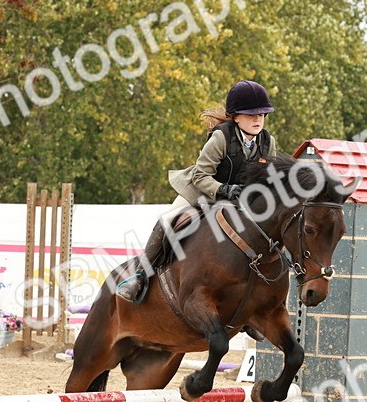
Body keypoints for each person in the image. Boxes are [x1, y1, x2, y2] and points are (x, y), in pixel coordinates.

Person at [116, 80, 278, 303]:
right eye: (251, 114)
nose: (258, 119)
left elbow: (268, 179)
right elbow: (200, 176)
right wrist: (223, 188)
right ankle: (141, 277)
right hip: (202, 192)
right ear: (236, 116)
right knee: (167, 220)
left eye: (261, 114)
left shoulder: (268, 142)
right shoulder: (221, 137)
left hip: (238, 202)